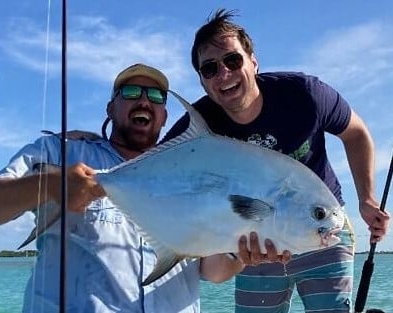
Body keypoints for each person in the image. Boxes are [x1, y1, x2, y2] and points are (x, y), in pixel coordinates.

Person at [161, 9, 390, 313]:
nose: (224, 74)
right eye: (210, 69)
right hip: (256, 246)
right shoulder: (200, 124)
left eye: (232, 60)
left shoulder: (303, 95)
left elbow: (356, 133)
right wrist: (89, 143)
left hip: (319, 230)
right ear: (202, 81)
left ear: (253, 61)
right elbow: (150, 164)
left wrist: (367, 198)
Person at [0, 64, 202, 312]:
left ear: (164, 116)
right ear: (110, 108)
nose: (143, 101)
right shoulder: (60, 151)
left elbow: (214, 268)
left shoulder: (191, 175)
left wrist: (240, 253)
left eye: (156, 96)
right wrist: (51, 185)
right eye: (130, 92)